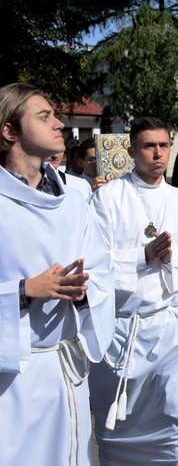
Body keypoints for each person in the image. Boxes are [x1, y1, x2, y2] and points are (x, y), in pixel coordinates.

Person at [0, 82, 115, 465]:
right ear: (9, 131)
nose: (59, 125)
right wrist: (24, 289)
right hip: (14, 374)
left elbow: (101, 270)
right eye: (44, 116)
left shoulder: (75, 200)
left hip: (66, 368)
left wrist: (84, 290)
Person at [88, 117, 178, 463]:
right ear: (131, 151)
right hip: (122, 328)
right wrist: (142, 256)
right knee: (117, 422)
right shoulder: (107, 198)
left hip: (170, 327)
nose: (158, 153)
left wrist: (171, 257)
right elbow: (92, 263)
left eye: (164, 145)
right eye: (148, 146)